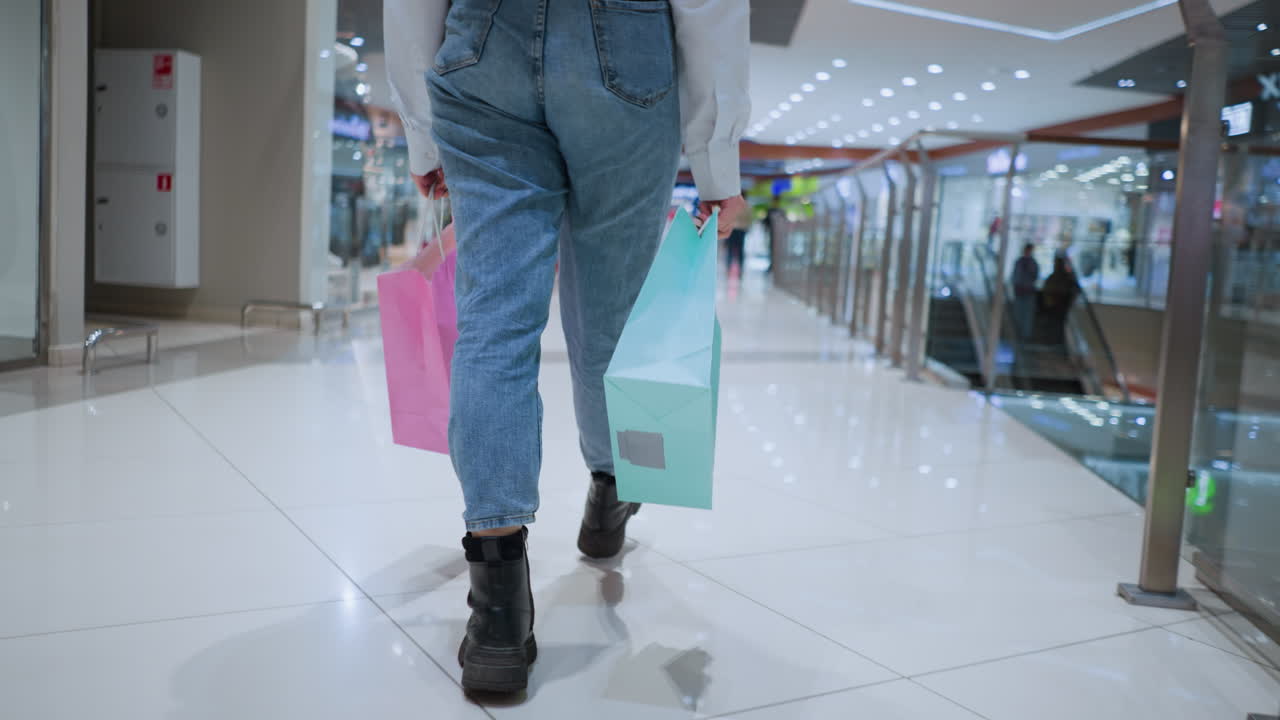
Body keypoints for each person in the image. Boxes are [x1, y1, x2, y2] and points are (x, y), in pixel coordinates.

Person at [385, 0, 750, 694]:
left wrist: (423, 137)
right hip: (626, 50)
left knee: (494, 321)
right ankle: (610, 496)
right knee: (608, 319)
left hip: (483, 45)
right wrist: (716, 160)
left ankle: (497, 612)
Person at [1040, 256, 1080, 346]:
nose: (1056, 266)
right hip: (1053, 307)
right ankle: (1052, 343)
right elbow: (1047, 290)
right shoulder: (1053, 277)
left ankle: (1058, 344)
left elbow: (1075, 290)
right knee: (1052, 326)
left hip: (1062, 308)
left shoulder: (1067, 278)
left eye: (1058, 264)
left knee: (1060, 328)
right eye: (1056, 264)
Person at [1010, 243, 1039, 340]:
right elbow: (1014, 276)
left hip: (1028, 292)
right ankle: (1017, 333)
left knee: (1027, 315)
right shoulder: (1019, 262)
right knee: (1018, 313)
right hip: (1019, 292)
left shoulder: (1033, 263)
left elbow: (1034, 276)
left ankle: (1025, 335)